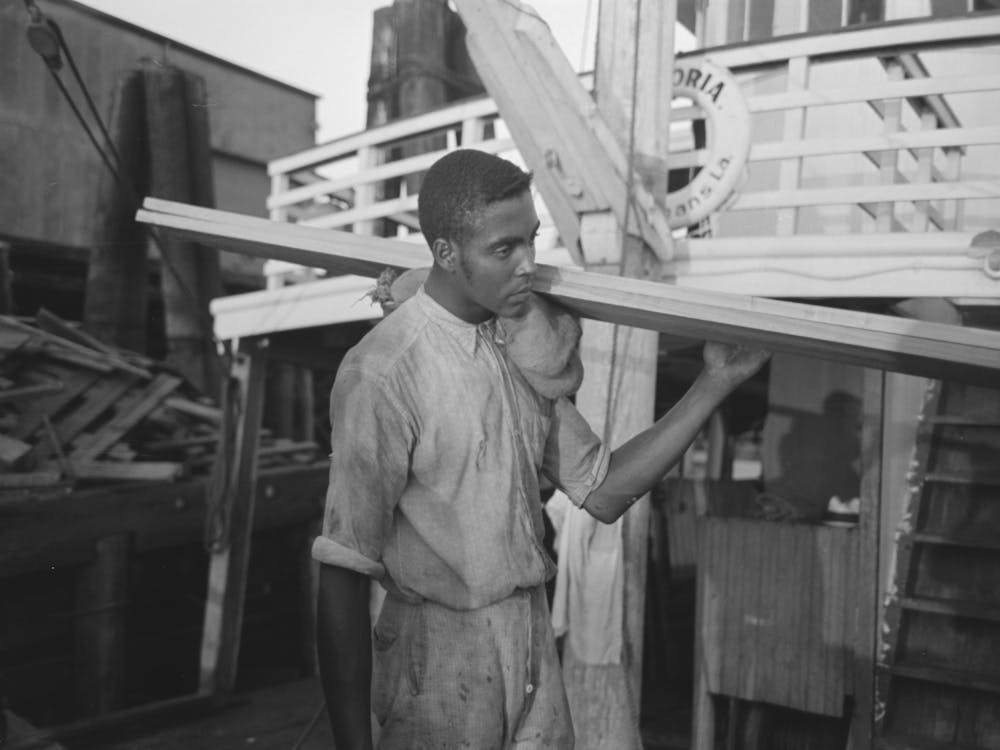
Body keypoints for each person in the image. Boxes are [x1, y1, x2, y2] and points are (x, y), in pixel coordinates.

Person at [313, 149, 768, 750]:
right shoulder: (383, 372)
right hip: (436, 654)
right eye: (504, 250)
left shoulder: (519, 350)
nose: (529, 265)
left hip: (529, 637)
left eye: (531, 240)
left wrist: (714, 382)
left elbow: (603, 490)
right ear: (446, 252)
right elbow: (342, 570)